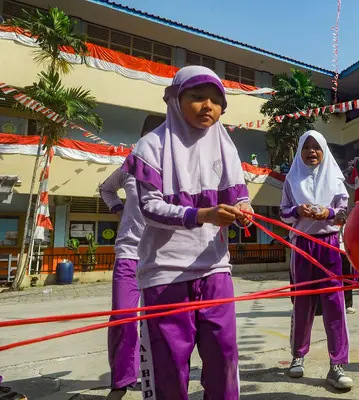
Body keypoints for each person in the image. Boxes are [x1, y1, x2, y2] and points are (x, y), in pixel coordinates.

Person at [122, 65, 250, 400]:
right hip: (165, 275)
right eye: (197, 97)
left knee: (224, 357)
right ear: (176, 100)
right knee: (169, 367)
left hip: (215, 270)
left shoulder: (226, 146)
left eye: (216, 100)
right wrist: (203, 214)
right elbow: (149, 208)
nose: (208, 105)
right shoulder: (151, 146)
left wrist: (245, 213)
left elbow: (240, 197)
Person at [279, 130, 353, 389]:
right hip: (301, 247)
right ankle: (297, 356)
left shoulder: (335, 179)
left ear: (324, 151)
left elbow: (344, 213)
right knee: (302, 302)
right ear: (300, 151)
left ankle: (338, 364)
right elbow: (282, 214)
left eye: (317, 147)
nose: (312, 151)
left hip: (330, 245)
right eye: (307, 147)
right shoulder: (291, 180)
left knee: (334, 304)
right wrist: (296, 210)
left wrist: (328, 212)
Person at [98, 159, 146, 398]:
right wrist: (118, 209)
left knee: (161, 322)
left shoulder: (179, 167)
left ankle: (157, 377)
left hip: (164, 260)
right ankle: (122, 380)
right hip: (129, 254)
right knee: (124, 317)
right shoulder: (131, 166)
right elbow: (106, 188)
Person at [335, 210, 356, 314]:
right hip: (331, 250)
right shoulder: (328, 219)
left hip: (343, 250)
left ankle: (348, 304)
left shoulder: (347, 221)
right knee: (331, 279)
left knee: (347, 278)